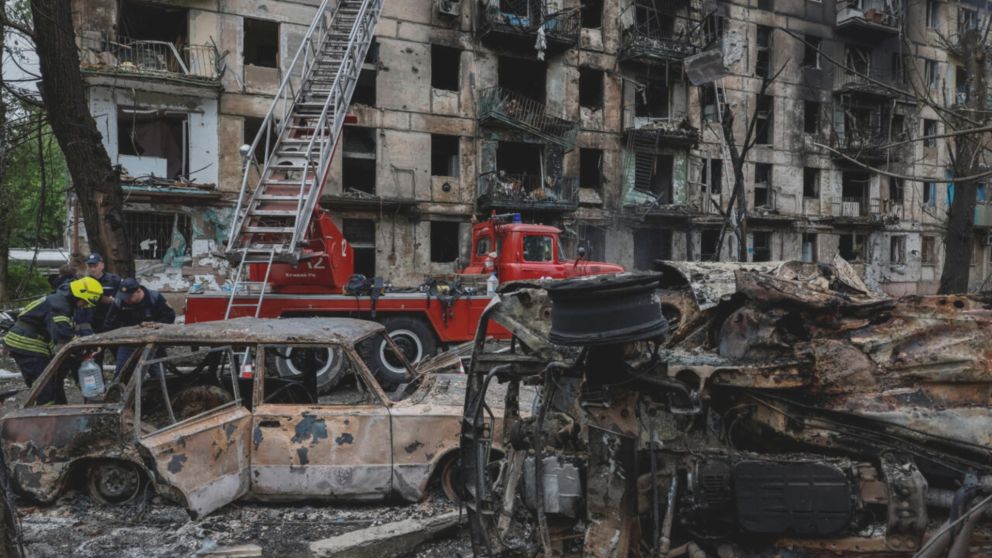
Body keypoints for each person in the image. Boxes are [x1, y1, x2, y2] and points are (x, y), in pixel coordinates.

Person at [1, 277, 103, 404]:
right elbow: (63, 336)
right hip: (26, 343)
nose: (85, 305)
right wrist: (85, 347)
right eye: (85, 302)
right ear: (79, 294)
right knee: (43, 388)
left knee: (52, 382)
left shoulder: (62, 299)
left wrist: (85, 346)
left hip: (36, 342)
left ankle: (58, 411)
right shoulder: (59, 305)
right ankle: (41, 418)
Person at [105, 278, 176, 379]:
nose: (126, 300)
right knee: (121, 374)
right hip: (128, 342)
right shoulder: (120, 302)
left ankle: (159, 392)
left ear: (138, 291)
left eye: (129, 297)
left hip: (153, 343)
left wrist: (156, 325)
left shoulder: (154, 297)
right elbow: (109, 323)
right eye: (124, 297)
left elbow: (170, 316)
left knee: (159, 375)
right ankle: (121, 393)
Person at [76, 253, 122, 337]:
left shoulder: (114, 280)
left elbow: (122, 297)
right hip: (92, 322)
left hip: (111, 321)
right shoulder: (83, 283)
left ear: (102, 266)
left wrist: (114, 300)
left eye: (95, 266)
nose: (93, 269)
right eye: (90, 266)